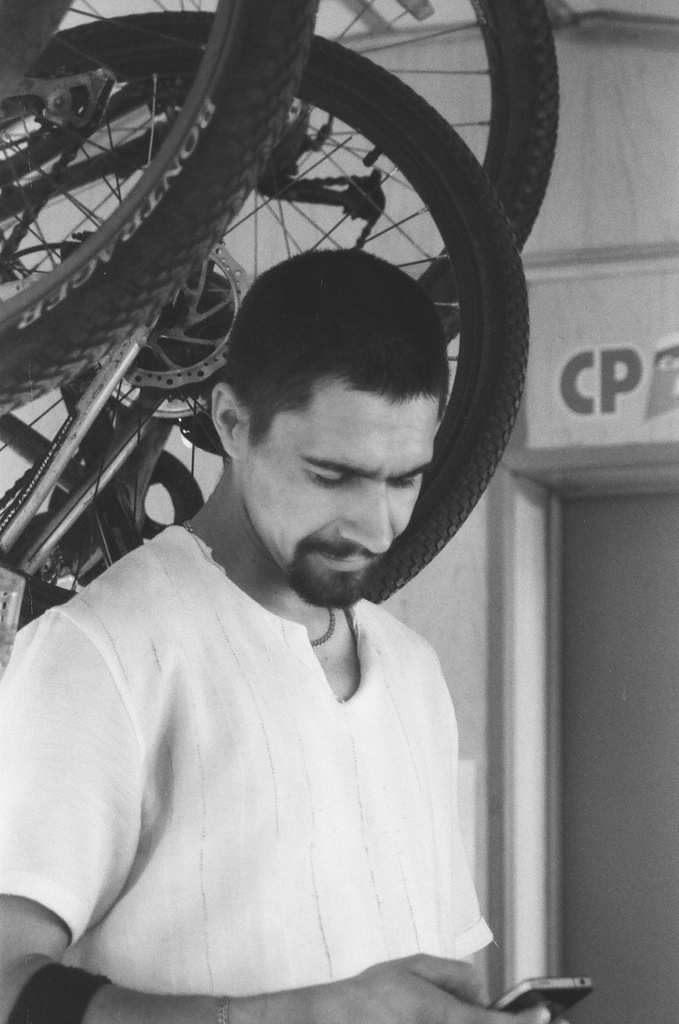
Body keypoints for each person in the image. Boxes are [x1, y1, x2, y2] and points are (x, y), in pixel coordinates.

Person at [0, 250, 550, 1024]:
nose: (377, 526)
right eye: (331, 475)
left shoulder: (413, 670)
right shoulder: (98, 653)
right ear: (231, 423)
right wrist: (310, 1015)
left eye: (403, 478)